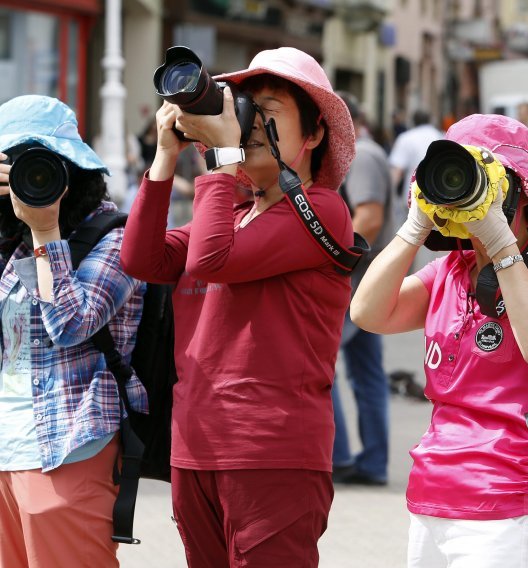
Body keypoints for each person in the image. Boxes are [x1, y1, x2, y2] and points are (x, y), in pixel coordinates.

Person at [120, 47, 356, 567]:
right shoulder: (233, 210)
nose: (245, 123)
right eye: (240, 108)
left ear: (314, 134)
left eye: (265, 112)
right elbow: (139, 258)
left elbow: (209, 261)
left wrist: (221, 159)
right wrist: (165, 155)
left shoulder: (322, 211)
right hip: (195, 445)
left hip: (273, 452)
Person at [351, 114, 528, 568]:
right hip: (431, 495)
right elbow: (367, 313)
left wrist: (501, 244)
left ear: (518, 194)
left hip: (509, 503)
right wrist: (413, 227)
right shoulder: (448, 272)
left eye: (482, 185)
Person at [0, 95, 146, 567]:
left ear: (75, 170)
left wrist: (46, 233)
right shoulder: (8, 240)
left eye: (44, 166)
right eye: (18, 166)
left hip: (70, 445)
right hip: (7, 447)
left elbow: (72, 324)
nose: (32, 181)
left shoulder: (116, 238)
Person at [331, 91, 393, 486]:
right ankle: (370, 462)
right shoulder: (364, 152)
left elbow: (368, 219)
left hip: (356, 278)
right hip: (364, 278)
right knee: (366, 373)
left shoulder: (363, 154)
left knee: (321, 365)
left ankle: (338, 457)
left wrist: (324, 256)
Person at [388, 109, 443, 228]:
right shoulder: (441, 136)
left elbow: (397, 171)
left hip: (413, 196)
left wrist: (389, 197)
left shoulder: (406, 138)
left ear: (413, 121)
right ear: (430, 120)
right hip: (440, 197)